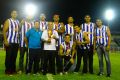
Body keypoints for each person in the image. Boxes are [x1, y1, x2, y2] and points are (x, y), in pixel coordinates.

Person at [3, 10, 19, 75]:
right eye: (13, 13)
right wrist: (5, 40)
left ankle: (13, 70)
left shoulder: (17, 21)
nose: (15, 14)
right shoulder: (8, 21)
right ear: (11, 14)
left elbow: (17, 31)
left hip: (16, 42)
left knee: (14, 57)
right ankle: (8, 70)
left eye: (16, 13)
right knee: (9, 56)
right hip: (9, 41)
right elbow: (4, 31)